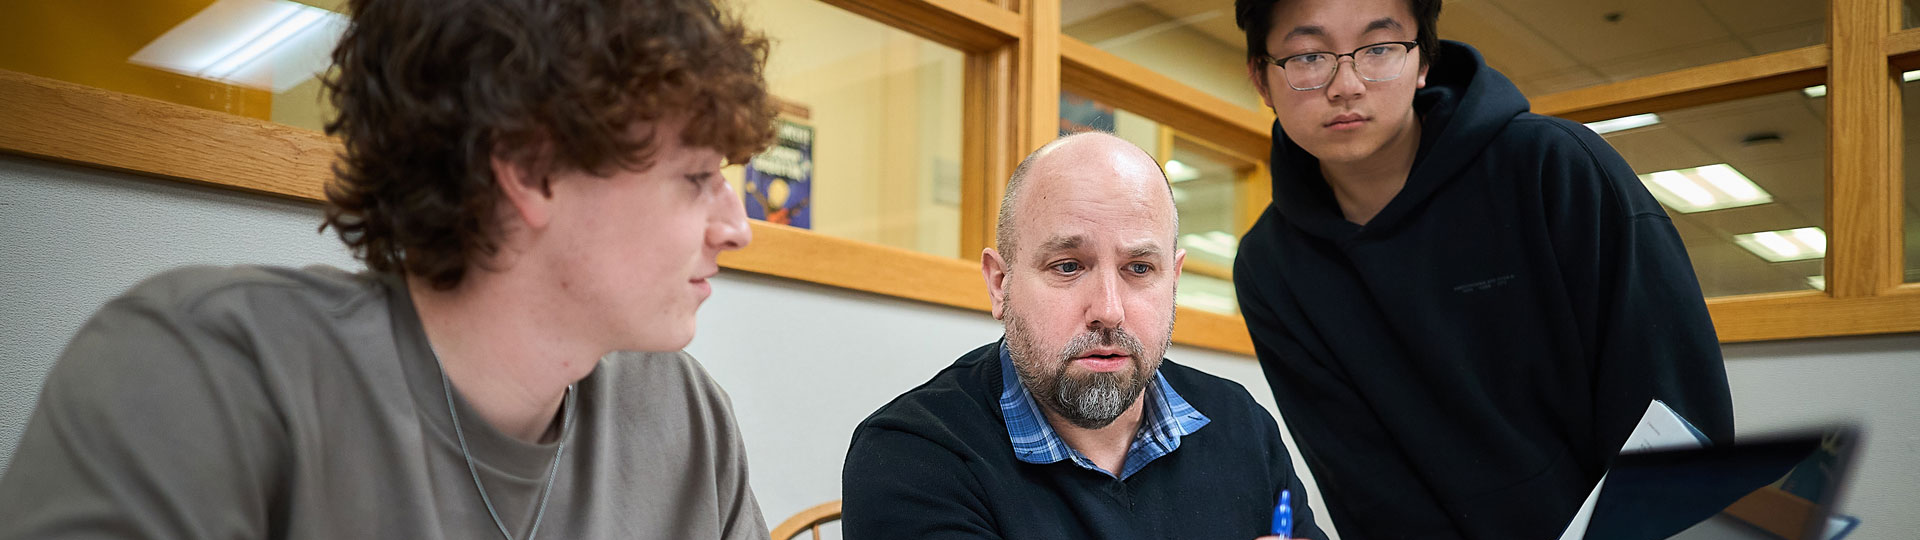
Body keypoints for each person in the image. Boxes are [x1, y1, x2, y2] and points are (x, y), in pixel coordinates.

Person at [0, 0, 776, 538]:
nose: (737, 228)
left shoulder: (684, 420)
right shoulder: (201, 375)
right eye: (697, 177)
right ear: (533, 170)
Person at [1229, 0, 1737, 538]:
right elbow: (1364, 483)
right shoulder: (1271, 266)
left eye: (1378, 49)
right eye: (1308, 57)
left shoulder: (1555, 169)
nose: (1346, 84)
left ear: (1423, 59)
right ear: (1261, 79)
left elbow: (1675, 409)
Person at [841, 132, 1326, 540]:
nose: (1109, 312)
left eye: (1139, 268)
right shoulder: (913, 454)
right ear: (999, 283)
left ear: (1173, 281)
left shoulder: (1240, 423)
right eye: (1068, 266)